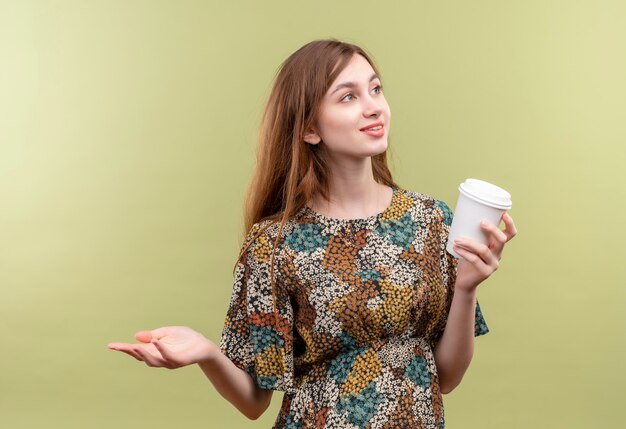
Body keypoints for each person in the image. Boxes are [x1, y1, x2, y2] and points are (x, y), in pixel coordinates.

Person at [108, 39, 517, 428]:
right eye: (348, 97)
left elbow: (445, 377)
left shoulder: (432, 220)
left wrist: (465, 289)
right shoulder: (275, 244)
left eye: (375, 89)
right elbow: (254, 402)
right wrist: (206, 352)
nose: (373, 107)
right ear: (309, 129)